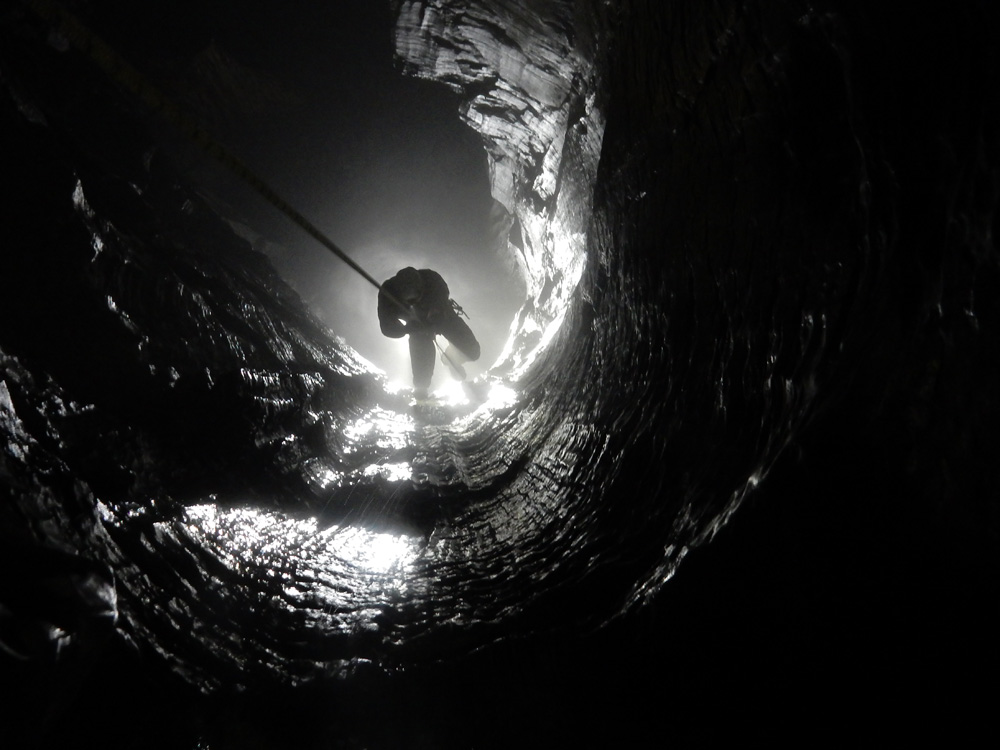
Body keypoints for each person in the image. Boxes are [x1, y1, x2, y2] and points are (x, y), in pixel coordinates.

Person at [378, 267, 480, 398]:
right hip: (416, 329)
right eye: (410, 301)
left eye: (417, 298)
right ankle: (421, 394)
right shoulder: (387, 294)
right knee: (421, 383)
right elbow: (386, 328)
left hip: (443, 317)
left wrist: (435, 318)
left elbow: (443, 296)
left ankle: (452, 358)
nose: (414, 303)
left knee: (473, 352)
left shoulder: (433, 280)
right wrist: (407, 329)